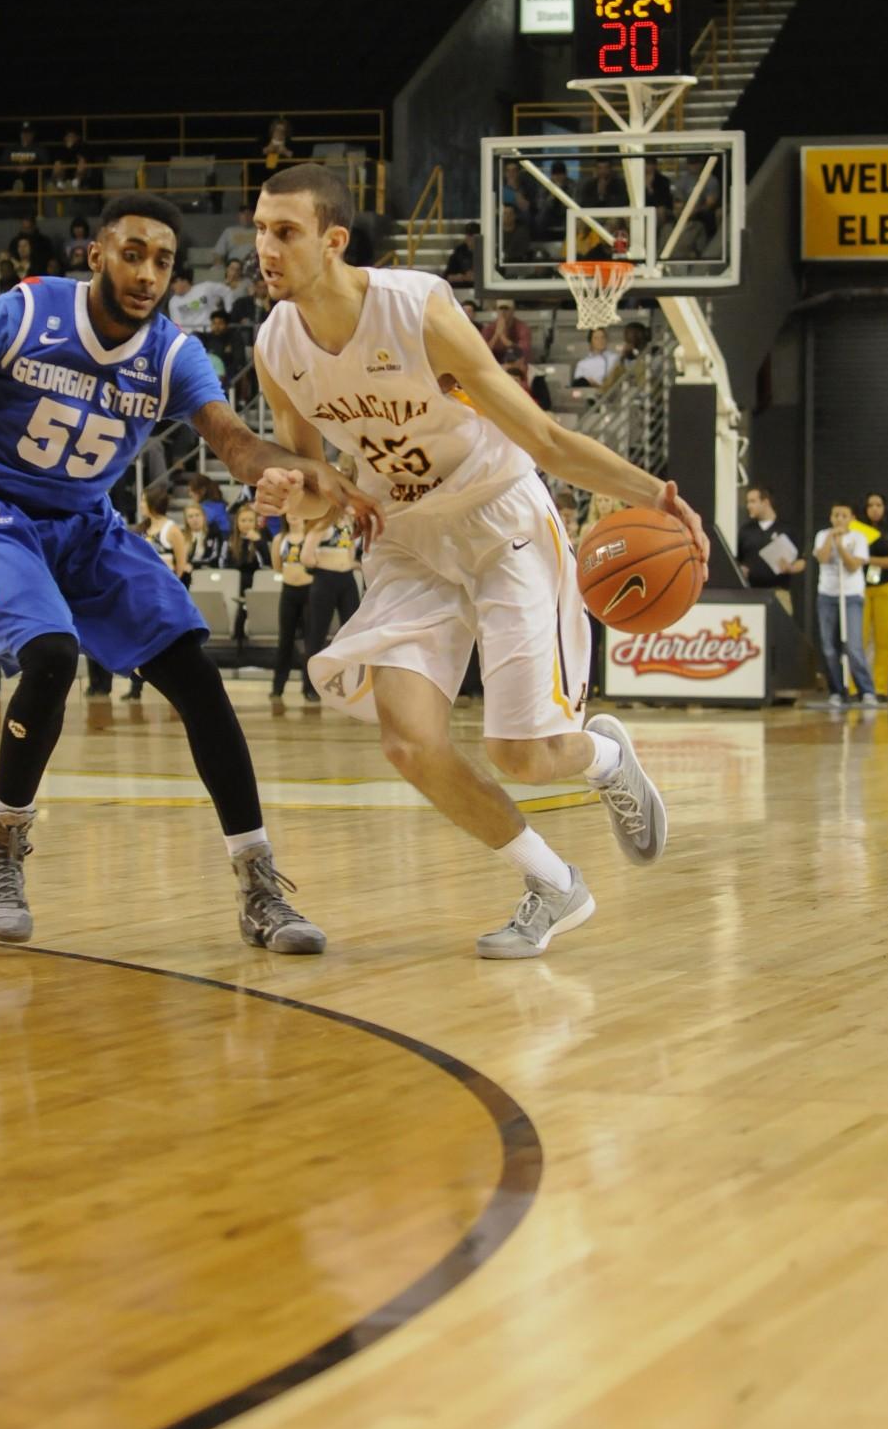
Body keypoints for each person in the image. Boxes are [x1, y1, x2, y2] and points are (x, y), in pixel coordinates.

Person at [0, 192, 368, 952]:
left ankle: (257, 883)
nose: (148, 273)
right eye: (133, 253)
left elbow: (238, 446)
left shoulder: (174, 356)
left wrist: (299, 473)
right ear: (97, 254)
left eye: (164, 261)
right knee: (51, 654)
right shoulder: (24, 312)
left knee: (193, 673)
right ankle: (1, 844)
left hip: (85, 522)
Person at [252, 164, 706, 959]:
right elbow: (325, 490)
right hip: (405, 539)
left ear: (333, 240)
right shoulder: (275, 346)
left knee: (523, 754)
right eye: (258, 229)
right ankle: (554, 885)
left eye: (283, 232)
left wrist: (655, 495)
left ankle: (603, 757)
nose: (264, 246)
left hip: (501, 519)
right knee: (408, 742)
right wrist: (293, 494)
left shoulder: (416, 309)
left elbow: (546, 440)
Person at [812, 503, 878, 707]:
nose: (839, 519)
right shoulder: (823, 535)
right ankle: (836, 691)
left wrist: (841, 546)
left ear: (852, 518)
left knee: (853, 645)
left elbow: (853, 565)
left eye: (844, 515)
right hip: (827, 594)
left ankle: (866, 691)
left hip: (851, 595)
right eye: (836, 515)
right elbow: (822, 558)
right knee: (829, 646)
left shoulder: (858, 538)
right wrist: (832, 539)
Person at [302, 505, 360, 703]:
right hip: (325, 580)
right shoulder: (321, 525)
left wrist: (351, 563)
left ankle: (351, 684)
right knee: (317, 634)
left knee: (352, 633)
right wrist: (323, 563)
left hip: (347, 580)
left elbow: (350, 548)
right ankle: (310, 686)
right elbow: (306, 557)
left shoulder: (349, 524)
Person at [858, 491, 888, 702]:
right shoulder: (858, 531)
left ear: (884, 507)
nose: (875, 509)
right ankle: (856, 687)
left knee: (883, 639)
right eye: (870, 505)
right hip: (862, 588)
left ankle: (881, 687)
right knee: (860, 637)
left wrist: (869, 559)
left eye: (879, 504)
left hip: (886, 587)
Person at [736, 483, 807, 615]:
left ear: (766, 502)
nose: (748, 506)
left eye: (753, 501)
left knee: (780, 632)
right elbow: (737, 560)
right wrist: (741, 570)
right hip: (751, 593)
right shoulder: (745, 531)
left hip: (779, 593)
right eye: (747, 502)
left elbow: (802, 561)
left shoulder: (786, 529)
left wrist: (791, 568)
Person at [270, 516, 315, 706]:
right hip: (288, 592)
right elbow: (277, 567)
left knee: (311, 641)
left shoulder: (311, 536)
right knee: (285, 640)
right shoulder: (280, 539)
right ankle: (278, 687)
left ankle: (310, 688)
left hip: (310, 592)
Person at [168, 265, 225, 335]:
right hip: (191, 335)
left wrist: (187, 307)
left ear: (184, 281)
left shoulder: (203, 288)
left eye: (174, 282)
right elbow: (177, 324)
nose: (172, 286)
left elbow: (207, 302)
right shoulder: (173, 302)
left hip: (212, 331)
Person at [182, 500, 224, 575]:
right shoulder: (181, 535)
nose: (194, 519)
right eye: (190, 516)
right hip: (186, 572)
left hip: (207, 571)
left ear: (204, 517)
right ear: (186, 520)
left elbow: (214, 558)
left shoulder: (214, 533)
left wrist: (193, 566)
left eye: (197, 515)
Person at [214, 206, 257, 271]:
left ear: (254, 216)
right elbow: (218, 254)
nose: (246, 217)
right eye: (243, 214)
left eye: (249, 214)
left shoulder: (260, 231)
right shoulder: (229, 231)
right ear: (239, 216)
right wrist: (221, 267)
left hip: (254, 268)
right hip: (234, 267)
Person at [571, 327, 614, 392]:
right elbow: (578, 387)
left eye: (603, 337)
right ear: (590, 342)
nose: (600, 341)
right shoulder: (582, 364)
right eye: (596, 338)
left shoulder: (615, 359)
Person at [443, 223, 480, 290]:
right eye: (468, 235)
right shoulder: (459, 251)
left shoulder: (486, 252)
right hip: (461, 289)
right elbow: (447, 276)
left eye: (472, 235)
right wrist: (463, 277)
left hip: (479, 289)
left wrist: (477, 276)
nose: (470, 238)